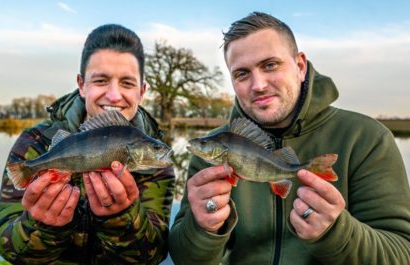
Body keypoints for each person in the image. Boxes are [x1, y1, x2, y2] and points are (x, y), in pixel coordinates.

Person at [169, 12, 410, 264]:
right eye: (242, 73)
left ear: (300, 66)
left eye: (270, 65)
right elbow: (186, 259)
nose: (258, 84)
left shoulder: (368, 139)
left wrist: (338, 233)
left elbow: (402, 254)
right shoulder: (211, 147)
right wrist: (203, 229)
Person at [0, 24, 175, 264]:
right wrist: (41, 226)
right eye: (101, 80)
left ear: (141, 91)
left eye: (127, 83)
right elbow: (7, 248)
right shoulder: (34, 143)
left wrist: (122, 218)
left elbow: (154, 254)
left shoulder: (156, 160)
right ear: (81, 84)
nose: (113, 95)